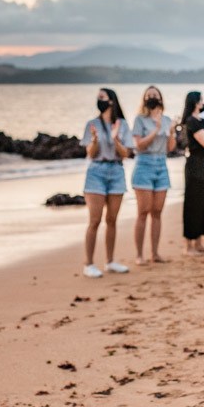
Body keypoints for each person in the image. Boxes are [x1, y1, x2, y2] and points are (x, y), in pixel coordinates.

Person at [80, 87, 135, 279]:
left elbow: (126, 154)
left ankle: (110, 261)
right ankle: (89, 263)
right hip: (96, 171)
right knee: (94, 220)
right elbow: (90, 153)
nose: (99, 100)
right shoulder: (92, 124)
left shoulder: (122, 125)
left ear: (111, 101)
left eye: (102, 97)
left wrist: (115, 140)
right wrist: (95, 140)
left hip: (117, 171)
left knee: (112, 220)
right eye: (98, 98)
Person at [130, 87, 176, 265]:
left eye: (155, 95)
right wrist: (156, 129)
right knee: (143, 212)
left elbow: (170, 148)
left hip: (161, 165)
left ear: (160, 98)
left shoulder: (166, 119)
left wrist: (171, 132)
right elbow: (139, 145)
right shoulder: (140, 120)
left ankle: (155, 253)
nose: (152, 98)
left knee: (157, 212)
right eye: (149, 96)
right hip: (144, 165)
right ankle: (139, 254)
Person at [180, 90, 204, 255]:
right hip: (195, 166)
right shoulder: (192, 122)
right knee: (193, 204)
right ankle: (189, 245)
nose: (203, 103)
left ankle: (199, 241)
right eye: (201, 100)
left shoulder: (202, 121)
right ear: (196, 102)